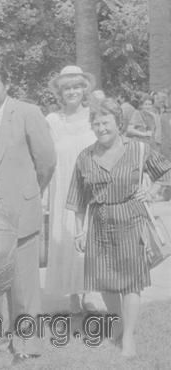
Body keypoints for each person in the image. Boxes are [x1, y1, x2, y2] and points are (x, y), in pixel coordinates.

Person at [0, 59, 56, 363]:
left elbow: (46, 162)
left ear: (7, 84)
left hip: (20, 211)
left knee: (23, 284)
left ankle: (27, 344)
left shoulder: (28, 113)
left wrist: (29, 195)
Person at [66, 98, 171, 357]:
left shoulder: (138, 149)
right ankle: (120, 324)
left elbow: (166, 171)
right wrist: (80, 230)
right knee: (105, 282)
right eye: (96, 123)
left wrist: (154, 190)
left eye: (106, 122)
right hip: (99, 223)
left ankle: (129, 338)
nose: (101, 128)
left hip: (131, 219)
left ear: (118, 123)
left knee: (131, 283)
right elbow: (78, 199)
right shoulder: (85, 157)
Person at [43, 66, 104, 313]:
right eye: (67, 87)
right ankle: (71, 292)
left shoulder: (95, 116)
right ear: (60, 91)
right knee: (66, 236)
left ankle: (89, 291)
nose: (72, 91)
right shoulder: (52, 121)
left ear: (85, 88)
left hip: (92, 186)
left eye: (77, 86)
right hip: (63, 186)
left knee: (89, 236)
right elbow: (46, 158)